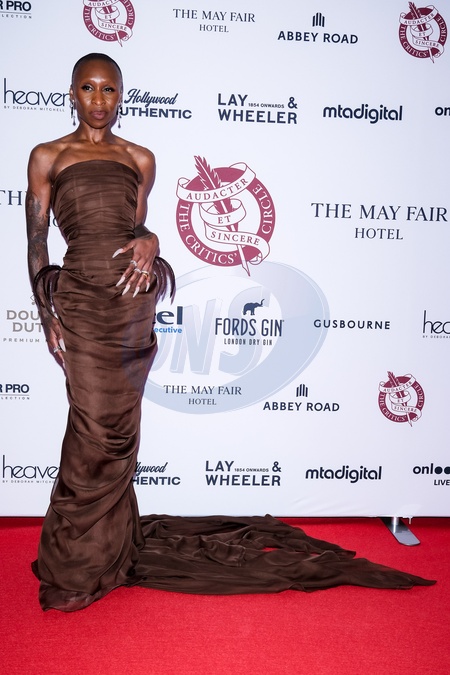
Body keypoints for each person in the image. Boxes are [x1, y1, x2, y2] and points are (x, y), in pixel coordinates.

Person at [26, 54, 435, 613]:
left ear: (122, 95)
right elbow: (37, 241)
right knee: (91, 429)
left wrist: (152, 241)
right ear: (72, 92)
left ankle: (104, 552)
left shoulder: (140, 158)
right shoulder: (48, 155)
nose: (99, 100)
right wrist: (46, 315)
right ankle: (77, 560)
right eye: (88, 88)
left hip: (131, 305)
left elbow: (136, 225)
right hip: (79, 301)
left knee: (118, 431)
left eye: (109, 90)